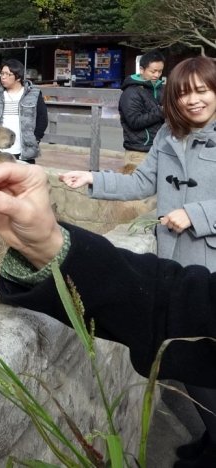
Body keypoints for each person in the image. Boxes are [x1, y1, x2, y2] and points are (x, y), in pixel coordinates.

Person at [58, 55, 216, 467]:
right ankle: (211, 437)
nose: (194, 101)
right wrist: (93, 179)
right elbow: (141, 182)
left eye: (203, 90)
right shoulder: (168, 134)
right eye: (184, 94)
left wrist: (196, 214)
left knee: (206, 367)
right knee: (185, 362)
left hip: (211, 267)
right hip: (173, 262)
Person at [0, 59, 48, 164]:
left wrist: (35, 139)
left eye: (8, 74)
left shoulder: (33, 95)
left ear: (18, 77)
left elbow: (42, 119)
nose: (3, 77)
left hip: (23, 151)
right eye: (2, 73)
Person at [119, 50, 166, 165]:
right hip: (138, 152)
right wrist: (161, 111)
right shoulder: (131, 92)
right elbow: (134, 122)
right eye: (153, 71)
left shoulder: (162, 89)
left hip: (160, 149)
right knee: (134, 183)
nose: (157, 75)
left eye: (160, 71)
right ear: (141, 69)